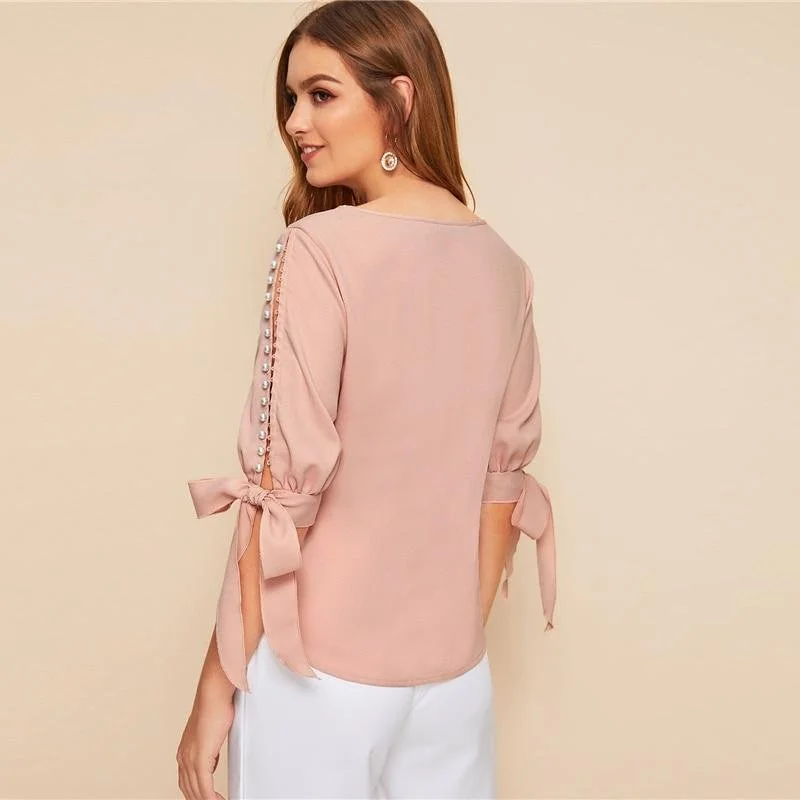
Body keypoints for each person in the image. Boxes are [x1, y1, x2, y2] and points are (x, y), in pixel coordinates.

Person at [176, 1, 556, 798]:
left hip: (315, 673)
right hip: (454, 680)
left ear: (399, 99)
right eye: (291, 99)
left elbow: (281, 490)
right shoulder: (504, 265)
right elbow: (501, 488)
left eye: (321, 94)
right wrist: (447, 646)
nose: (295, 122)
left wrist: (217, 684)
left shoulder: (318, 249)